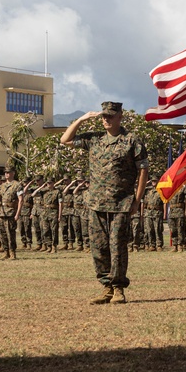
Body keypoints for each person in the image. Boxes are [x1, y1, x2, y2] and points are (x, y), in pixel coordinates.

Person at [61, 101, 148, 305]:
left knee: (117, 246)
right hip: (96, 203)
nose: (106, 119)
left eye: (110, 116)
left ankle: (118, 289)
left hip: (121, 203)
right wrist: (82, 119)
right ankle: (106, 287)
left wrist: (137, 199)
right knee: (99, 248)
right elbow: (65, 139)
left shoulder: (131, 141)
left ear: (120, 116)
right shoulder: (94, 139)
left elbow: (143, 170)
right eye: (103, 116)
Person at [0, 168, 23, 260]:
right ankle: (6, 252)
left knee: (10, 234)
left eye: (8, 172)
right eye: (5, 173)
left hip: (10, 212)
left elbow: (21, 200)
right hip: (1, 212)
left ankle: (12, 252)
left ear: (13, 173)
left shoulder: (17, 185)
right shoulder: (2, 186)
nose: (6, 174)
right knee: (2, 234)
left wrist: (17, 214)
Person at [141, 179, 164, 251]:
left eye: (155, 181)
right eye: (152, 181)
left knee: (158, 229)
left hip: (157, 212)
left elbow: (164, 202)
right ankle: (152, 245)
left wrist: (164, 213)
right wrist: (146, 183)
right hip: (148, 212)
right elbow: (140, 188)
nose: (153, 182)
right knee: (149, 230)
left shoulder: (161, 191)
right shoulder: (148, 191)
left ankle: (159, 245)